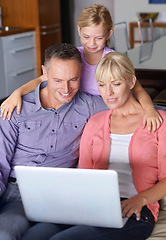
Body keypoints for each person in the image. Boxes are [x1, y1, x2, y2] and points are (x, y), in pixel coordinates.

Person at [21, 52, 166, 240]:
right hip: (92, 206)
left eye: (116, 84)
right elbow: (85, 174)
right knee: (33, 235)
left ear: (131, 82)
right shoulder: (95, 122)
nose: (109, 93)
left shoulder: (158, 122)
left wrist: (141, 199)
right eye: (102, 85)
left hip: (136, 210)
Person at [0, 43, 109, 240]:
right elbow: (0, 164)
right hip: (16, 193)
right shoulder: (15, 108)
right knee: (5, 233)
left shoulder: (89, 105)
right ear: (44, 72)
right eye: (57, 80)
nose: (66, 89)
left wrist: (149, 107)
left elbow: (126, 101)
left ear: (82, 72)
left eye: (73, 79)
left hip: (58, 197)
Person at [0, 4, 162, 133]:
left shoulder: (111, 60)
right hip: (77, 110)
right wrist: (17, 93)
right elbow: (43, 79)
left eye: (98, 38)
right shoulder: (73, 57)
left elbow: (138, 89)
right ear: (79, 31)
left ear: (108, 34)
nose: (91, 43)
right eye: (86, 37)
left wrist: (149, 110)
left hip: (104, 109)